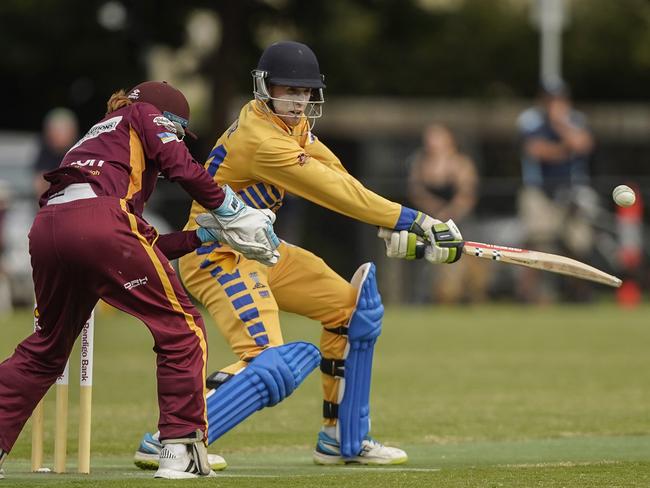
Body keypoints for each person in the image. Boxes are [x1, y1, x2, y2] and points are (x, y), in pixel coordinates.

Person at [134, 41, 463, 469]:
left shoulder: (293, 126)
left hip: (262, 251)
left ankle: (342, 437)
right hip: (217, 255)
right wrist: (415, 221)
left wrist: (387, 223)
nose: (298, 100)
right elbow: (333, 192)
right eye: (288, 90)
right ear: (265, 88)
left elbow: (339, 176)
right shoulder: (262, 140)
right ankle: (171, 438)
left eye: (305, 92)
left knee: (352, 311)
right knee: (269, 361)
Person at [0, 81, 280, 480]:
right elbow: (177, 166)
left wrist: (203, 235)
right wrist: (231, 209)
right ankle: (180, 447)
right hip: (99, 224)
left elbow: (138, 247)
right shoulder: (142, 112)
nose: (177, 141)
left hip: (47, 230)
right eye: (178, 131)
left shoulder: (96, 141)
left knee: (45, 349)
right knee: (182, 328)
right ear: (165, 119)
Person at [516, 78, 596, 303]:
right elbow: (536, 150)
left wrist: (560, 125)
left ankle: (579, 293)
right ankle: (527, 295)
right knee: (537, 241)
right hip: (539, 190)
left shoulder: (576, 119)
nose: (554, 104)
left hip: (573, 190)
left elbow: (583, 144)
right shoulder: (530, 120)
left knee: (578, 243)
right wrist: (565, 148)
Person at [407, 123, 488, 303]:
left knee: (469, 266)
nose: (431, 142)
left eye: (436, 137)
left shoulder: (461, 163)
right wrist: (435, 213)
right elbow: (416, 192)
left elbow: (467, 195)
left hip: (460, 221)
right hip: (429, 221)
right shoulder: (420, 163)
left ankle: (474, 299)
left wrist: (449, 214)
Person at [32, 108, 79, 198]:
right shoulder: (45, 151)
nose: (58, 135)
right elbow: (40, 182)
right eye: (55, 130)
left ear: (73, 132)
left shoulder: (81, 151)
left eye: (62, 131)